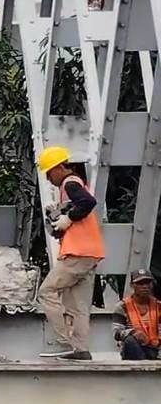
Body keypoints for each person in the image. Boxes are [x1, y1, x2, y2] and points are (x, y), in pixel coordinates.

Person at [36, 145, 105, 361]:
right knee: (78, 306)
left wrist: (68, 219)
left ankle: (63, 342)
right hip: (90, 253)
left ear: (57, 168)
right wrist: (62, 225)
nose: (48, 179)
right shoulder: (73, 184)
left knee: (46, 292)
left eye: (48, 173)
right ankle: (80, 350)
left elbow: (88, 202)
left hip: (78, 253)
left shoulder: (70, 183)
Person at [113, 269, 161, 360]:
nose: (145, 287)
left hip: (155, 348)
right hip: (134, 348)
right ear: (132, 285)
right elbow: (117, 333)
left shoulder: (159, 306)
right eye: (140, 284)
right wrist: (132, 332)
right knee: (130, 341)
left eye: (148, 283)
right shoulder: (122, 306)